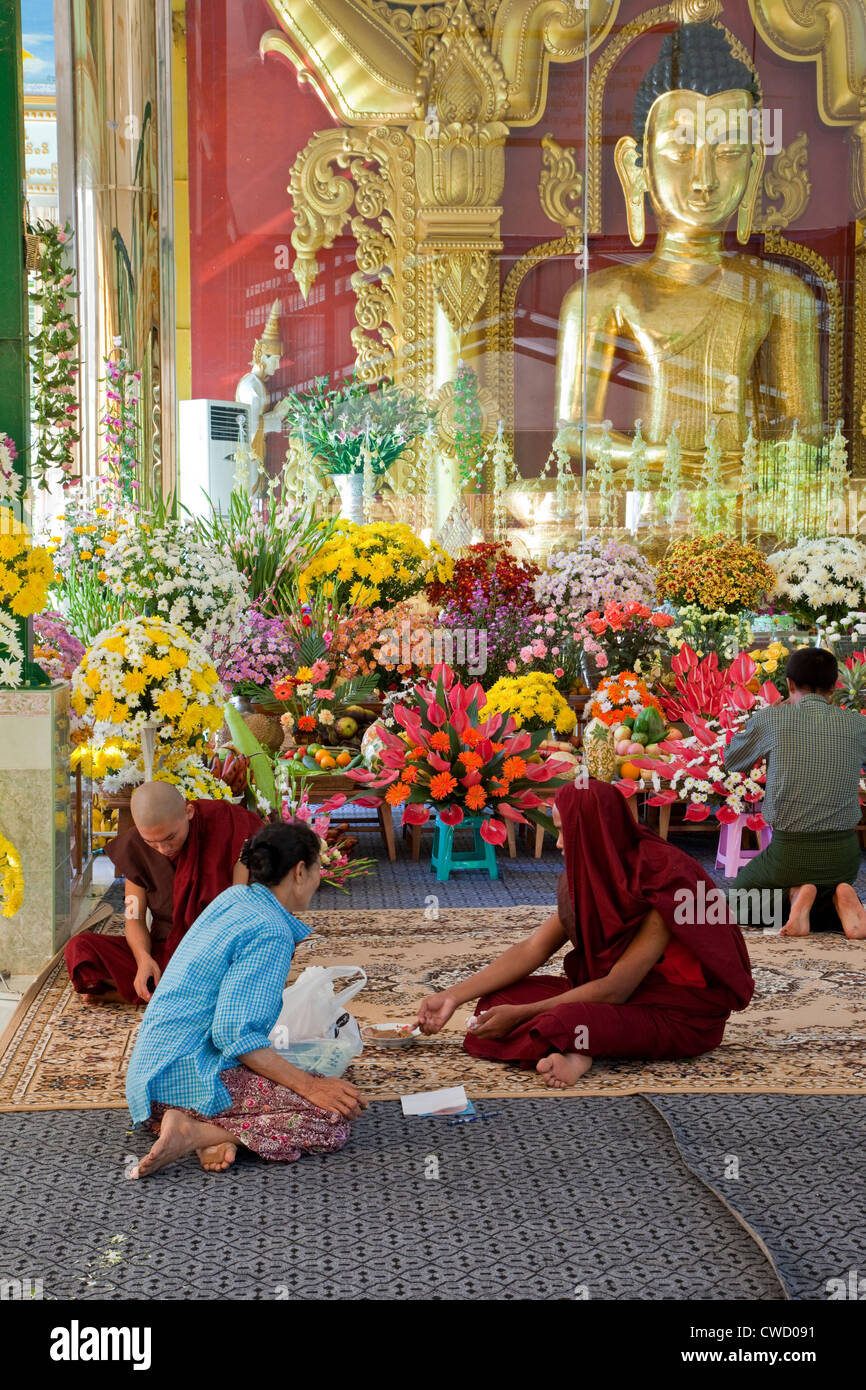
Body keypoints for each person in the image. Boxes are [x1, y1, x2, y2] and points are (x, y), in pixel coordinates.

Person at [416, 781, 754, 1087]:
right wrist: (452, 996)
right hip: (619, 1000)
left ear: (596, 830)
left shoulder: (665, 877)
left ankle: (580, 1050)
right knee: (494, 1003)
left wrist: (524, 1014)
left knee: (561, 1019)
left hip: (677, 1017)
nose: (560, 843)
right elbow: (533, 947)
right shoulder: (593, 873)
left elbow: (615, 989)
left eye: (566, 831)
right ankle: (581, 1042)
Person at [126, 820, 366, 1178]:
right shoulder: (270, 931)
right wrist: (310, 1087)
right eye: (318, 869)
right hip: (187, 1080)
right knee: (330, 1117)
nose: (319, 879)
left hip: (151, 1081)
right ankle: (197, 1131)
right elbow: (232, 1035)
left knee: (312, 1080)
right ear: (300, 872)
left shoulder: (235, 897)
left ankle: (206, 1133)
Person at [65, 783, 263, 1005]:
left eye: (170, 837)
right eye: (151, 842)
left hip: (217, 948)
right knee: (80, 949)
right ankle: (174, 993)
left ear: (188, 812)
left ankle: (146, 993)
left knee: (257, 959)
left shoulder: (227, 825)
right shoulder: (136, 847)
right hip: (166, 949)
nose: (163, 849)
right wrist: (143, 960)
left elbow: (243, 905)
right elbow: (134, 918)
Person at [724, 646, 866, 938]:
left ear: (788, 683)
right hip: (845, 855)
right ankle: (838, 899)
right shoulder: (857, 725)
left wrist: (770, 718)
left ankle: (796, 897)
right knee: (828, 879)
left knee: (733, 904)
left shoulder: (773, 720)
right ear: (835, 685)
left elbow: (732, 759)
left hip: (789, 853)